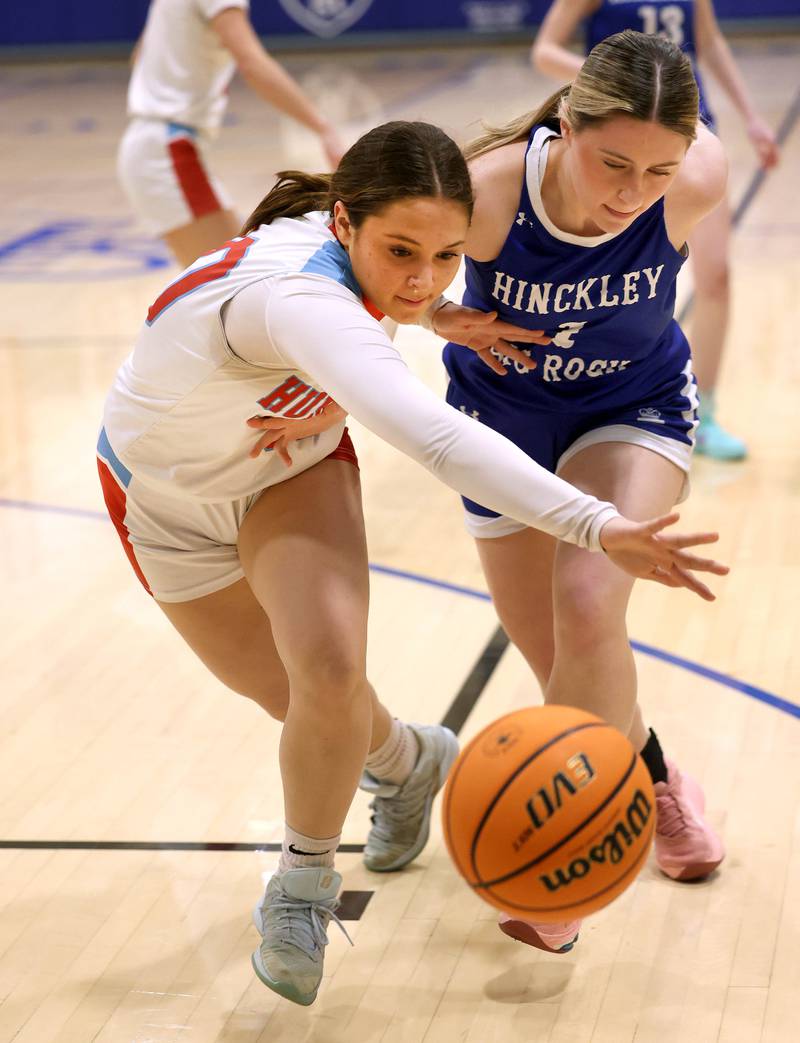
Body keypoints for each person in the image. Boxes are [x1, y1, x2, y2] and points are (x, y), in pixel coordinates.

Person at [97, 120, 726, 1004]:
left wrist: (431, 311)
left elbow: (397, 299)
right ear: (346, 222)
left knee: (325, 672)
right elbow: (431, 433)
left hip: (292, 466)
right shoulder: (295, 298)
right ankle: (405, 763)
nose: (424, 276)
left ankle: (303, 888)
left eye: (446, 257)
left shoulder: (356, 256)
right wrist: (596, 523)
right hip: (161, 504)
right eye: (403, 252)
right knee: (295, 698)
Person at [421, 29, 730, 954]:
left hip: (631, 403)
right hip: (503, 419)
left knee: (591, 598)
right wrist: (446, 314)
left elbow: (676, 185)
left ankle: (575, 864)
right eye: (614, 164)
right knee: (554, 648)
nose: (633, 194)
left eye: (659, 171)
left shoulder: (700, 179)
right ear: (567, 123)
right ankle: (658, 774)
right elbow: (380, 278)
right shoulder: (483, 190)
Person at [531, 0, 780, 460]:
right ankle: (589, 403)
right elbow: (545, 50)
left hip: (687, 134)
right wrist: (624, 84)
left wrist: (751, 116)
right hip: (618, 140)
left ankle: (705, 412)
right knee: (607, 283)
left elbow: (710, 43)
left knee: (716, 276)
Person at [118, 0, 345, 269]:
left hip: (153, 142)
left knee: (228, 280)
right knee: (236, 278)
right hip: (167, 149)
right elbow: (251, 63)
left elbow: (140, 55)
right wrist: (323, 128)